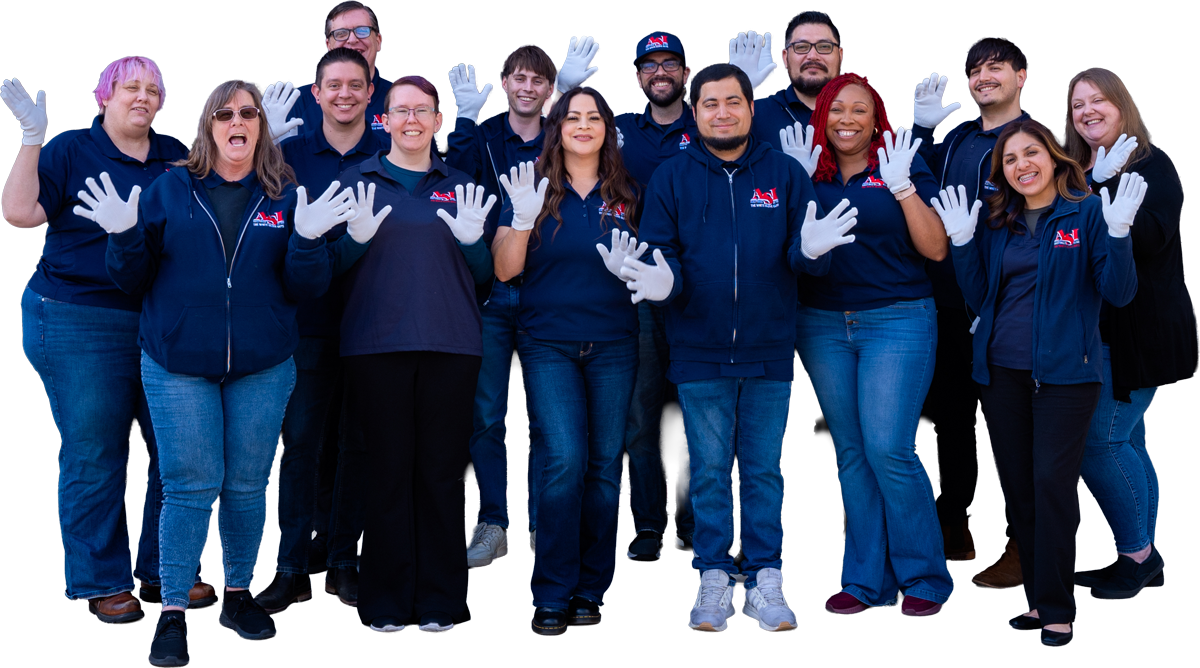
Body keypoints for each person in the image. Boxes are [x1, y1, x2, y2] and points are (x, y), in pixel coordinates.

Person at [81, 79, 353, 666]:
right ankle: (173, 609)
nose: (238, 121)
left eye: (249, 113)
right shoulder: (169, 189)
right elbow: (132, 279)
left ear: (260, 126)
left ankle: (237, 594)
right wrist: (123, 236)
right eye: (225, 112)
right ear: (209, 125)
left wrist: (307, 241)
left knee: (248, 483)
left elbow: (307, 286)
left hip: (262, 364)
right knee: (189, 482)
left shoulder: (283, 193)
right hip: (178, 362)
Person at [627, 63, 857, 633]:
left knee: (762, 470)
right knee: (706, 470)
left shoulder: (783, 173)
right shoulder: (673, 177)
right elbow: (661, 253)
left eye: (734, 102)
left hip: (769, 348)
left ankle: (764, 577)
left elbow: (804, 253)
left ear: (752, 110)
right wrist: (666, 284)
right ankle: (711, 573)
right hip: (698, 348)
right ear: (696, 111)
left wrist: (814, 253)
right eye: (711, 104)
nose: (723, 112)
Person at [2, 58, 214, 626]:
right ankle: (104, 580)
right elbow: (21, 213)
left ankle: (165, 570)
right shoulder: (71, 151)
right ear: (103, 98)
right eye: (130, 88)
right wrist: (31, 140)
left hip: (157, 316)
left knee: (177, 448)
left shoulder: (176, 154)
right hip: (78, 316)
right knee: (96, 451)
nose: (142, 97)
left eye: (152, 90)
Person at [932, 119, 1142, 646]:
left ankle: (1057, 607)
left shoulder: (1087, 212)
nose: (1021, 165)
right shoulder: (999, 221)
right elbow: (980, 298)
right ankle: (1037, 599)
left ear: (1054, 158)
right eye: (1009, 159)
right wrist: (961, 242)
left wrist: (1117, 235)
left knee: (1051, 486)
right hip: (1001, 374)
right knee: (1020, 489)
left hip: (1067, 375)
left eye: (1031, 154)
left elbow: (1118, 294)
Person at [789, 72, 953, 618]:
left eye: (860, 110)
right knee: (853, 453)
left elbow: (934, 248)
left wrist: (903, 185)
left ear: (876, 117)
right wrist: (795, 184)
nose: (847, 120)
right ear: (822, 117)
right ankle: (864, 579)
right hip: (823, 324)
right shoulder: (805, 169)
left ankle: (924, 574)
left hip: (897, 319)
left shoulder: (900, 160)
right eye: (836, 109)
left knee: (889, 447)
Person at [335, 75, 494, 634]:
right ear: (384, 120)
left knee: (441, 475)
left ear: (437, 121)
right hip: (374, 345)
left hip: (452, 343)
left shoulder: (461, 184)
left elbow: (485, 280)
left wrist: (475, 242)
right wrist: (350, 239)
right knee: (386, 475)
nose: (411, 120)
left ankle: (440, 601)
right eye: (400, 111)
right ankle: (384, 600)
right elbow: (327, 271)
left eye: (421, 111)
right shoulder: (356, 182)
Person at [491, 87, 641, 635]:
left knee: (604, 468)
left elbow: (652, 262)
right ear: (557, 126)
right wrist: (525, 220)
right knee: (565, 462)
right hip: (547, 341)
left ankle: (588, 587)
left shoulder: (627, 189)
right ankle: (552, 590)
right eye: (572, 117)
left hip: (615, 343)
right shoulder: (530, 184)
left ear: (607, 128)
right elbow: (505, 270)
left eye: (593, 117)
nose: (582, 125)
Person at [447, 38, 597, 568]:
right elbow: (456, 179)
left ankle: (540, 525)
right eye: (519, 77)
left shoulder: (563, 137)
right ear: (505, 84)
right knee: (485, 415)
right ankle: (492, 522)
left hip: (545, 294)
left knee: (544, 418)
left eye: (539, 80)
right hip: (488, 293)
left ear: (549, 90)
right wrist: (463, 118)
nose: (528, 87)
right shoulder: (483, 137)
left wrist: (573, 98)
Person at [257, 47, 388, 614]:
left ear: (369, 90)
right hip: (304, 324)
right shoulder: (284, 156)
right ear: (317, 93)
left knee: (358, 445)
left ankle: (342, 563)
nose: (343, 93)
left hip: (372, 323)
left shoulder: (387, 152)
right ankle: (291, 568)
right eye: (333, 85)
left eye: (354, 85)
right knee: (301, 447)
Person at [1064, 69, 1198, 599]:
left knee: (1101, 441)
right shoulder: (1082, 169)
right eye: (1078, 105)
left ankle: (1137, 554)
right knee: (1131, 441)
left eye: (1099, 100)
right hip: (1103, 331)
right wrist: (1094, 182)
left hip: (1139, 333)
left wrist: (1104, 185)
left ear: (1122, 107)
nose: (1088, 111)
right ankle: (1142, 554)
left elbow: (1146, 238)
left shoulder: (1151, 164)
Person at [908, 37, 1030, 583]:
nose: (983, 77)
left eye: (996, 68)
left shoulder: (1032, 141)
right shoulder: (957, 138)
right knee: (948, 416)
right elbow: (906, 175)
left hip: (1005, 305)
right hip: (945, 300)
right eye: (975, 70)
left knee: (1011, 429)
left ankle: (1023, 543)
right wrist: (920, 131)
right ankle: (953, 519)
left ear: (1021, 76)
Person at [614, 31, 698, 562]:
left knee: (693, 416)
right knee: (643, 414)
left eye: (670, 63)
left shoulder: (707, 124)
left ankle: (693, 525)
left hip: (697, 289)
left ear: (684, 73)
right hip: (635, 289)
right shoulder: (620, 131)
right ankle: (647, 524)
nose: (660, 72)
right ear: (640, 76)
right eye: (650, 65)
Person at [267, 1, 391, 143]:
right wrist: (263, 140)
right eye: (341, 33)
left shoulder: (401, 100)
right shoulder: (299, 103)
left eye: (362, 31)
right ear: (328, 45)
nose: (352, 40)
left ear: (378, 41)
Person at [749, 10, 843, 151]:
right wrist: (736, 88)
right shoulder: (755, 115)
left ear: (840, 56)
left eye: (824, 46)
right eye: (801, 47)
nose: (812, 56)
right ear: (786, 58)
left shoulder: (862, 116)